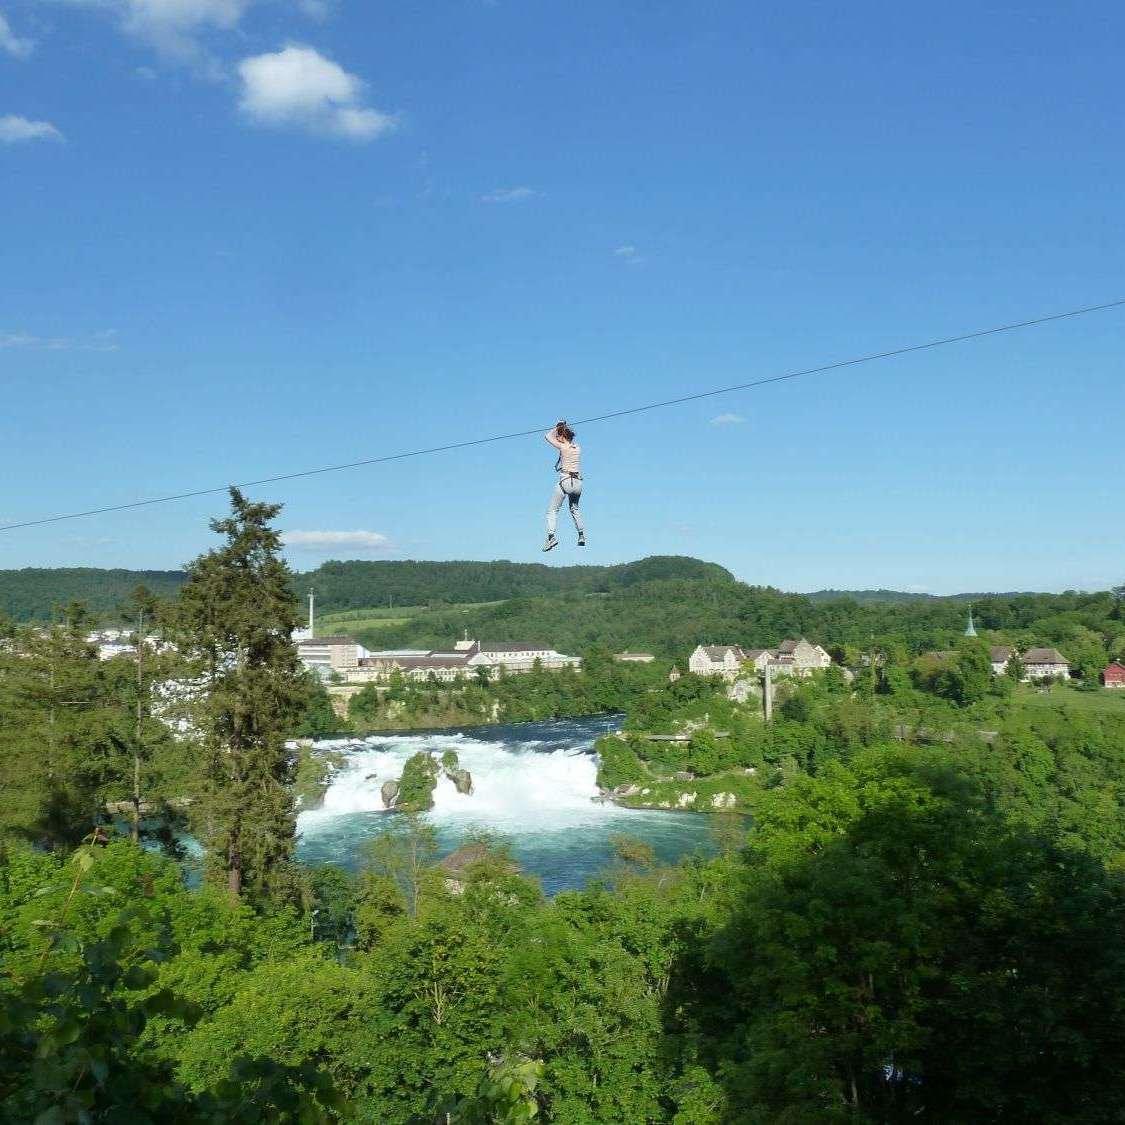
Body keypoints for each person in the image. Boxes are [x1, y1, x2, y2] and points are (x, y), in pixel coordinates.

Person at [543, 420, 585, 551]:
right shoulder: (577, 448)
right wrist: (563, 428)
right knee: (574, 509)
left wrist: (557, 426)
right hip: (578, 483)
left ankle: (551, 538)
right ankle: (581, 535)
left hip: (566, 480)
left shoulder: (563, 447)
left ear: (562, 437)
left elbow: (547, 436)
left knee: (552, 510)